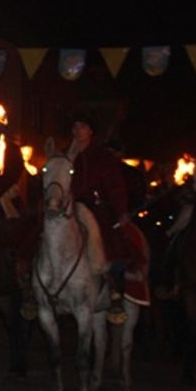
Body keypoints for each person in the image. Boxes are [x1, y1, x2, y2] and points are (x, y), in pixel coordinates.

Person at [66, 108, 132, 319]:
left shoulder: (103, 158)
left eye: (82, 126)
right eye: (75, 126)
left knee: (111, 241)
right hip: (67, 208)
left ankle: (114, 290)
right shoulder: (66, 154)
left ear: (91, 132)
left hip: (96, 208)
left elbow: (115, 187)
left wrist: (121, 211)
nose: (78, 130)